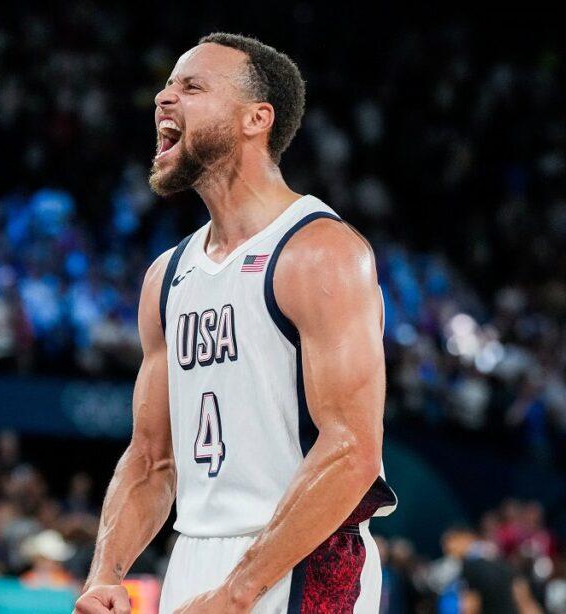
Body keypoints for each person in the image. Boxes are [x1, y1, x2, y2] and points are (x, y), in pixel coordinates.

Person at [75, 32, 397, 614]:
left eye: (192, 87)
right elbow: (150, 459)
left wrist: (238, 592)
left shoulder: (319, 252)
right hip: (194, 556)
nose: (163, 98)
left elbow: (352, 450)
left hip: (303, 558)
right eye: (167, 85)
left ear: (257, 119)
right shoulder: (167, 276)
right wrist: (105, 574)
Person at [440, 526, 542, 614]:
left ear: (466, 538)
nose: (448, 550)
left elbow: (471, 607)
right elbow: (525, 601)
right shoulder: (500, 561)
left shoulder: (470, 566)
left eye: (451, 543)